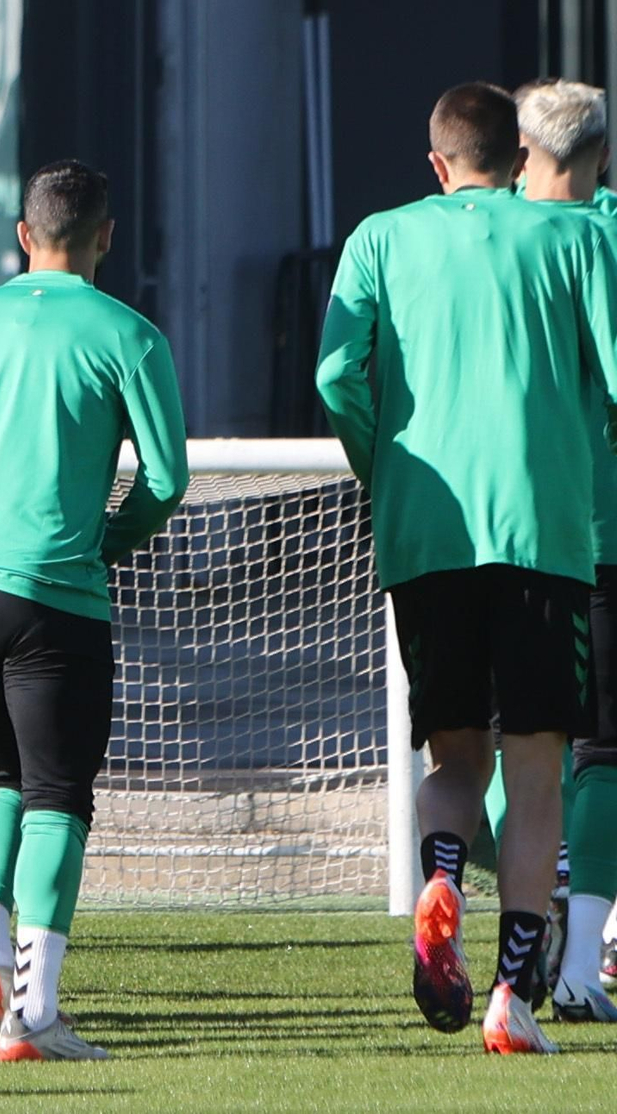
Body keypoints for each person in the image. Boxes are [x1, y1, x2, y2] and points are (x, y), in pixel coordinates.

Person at [316, 82, 617, 1054]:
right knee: (537, 772)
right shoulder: (571, 237)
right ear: (518, 158)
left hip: (426, 534)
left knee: (453, 759)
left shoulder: (380, 237)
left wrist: (382, 465)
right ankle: (510, 996)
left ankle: (441, 874)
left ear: (438, 164)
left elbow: (334, 373)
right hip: (542, 533)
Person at [0, 160, 188, 1060]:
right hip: (50, 586)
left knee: (1, 777)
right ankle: (36, 1014)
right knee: (57, 794)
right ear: (106, 237)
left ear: (23, 235)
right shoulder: (128, 334)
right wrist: (108, 541)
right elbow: (166, 479)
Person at [509, 77, 617, 1024]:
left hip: (498, 530)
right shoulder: (600, 237)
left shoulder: (472, 237)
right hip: (599, 531)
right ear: (603, 157)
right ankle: (584, 960)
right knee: (603, 752)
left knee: (506, 741)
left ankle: (531, 901)